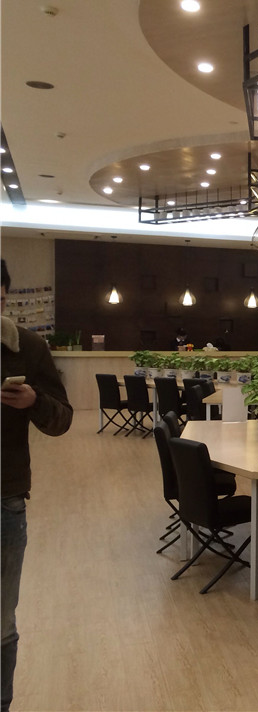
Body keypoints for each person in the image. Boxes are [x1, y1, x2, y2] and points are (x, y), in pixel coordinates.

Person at [1, 259, 73, 712]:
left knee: (0, 621)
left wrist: (33, 401)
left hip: (4, 501)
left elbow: (62, 419)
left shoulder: (26, 347)